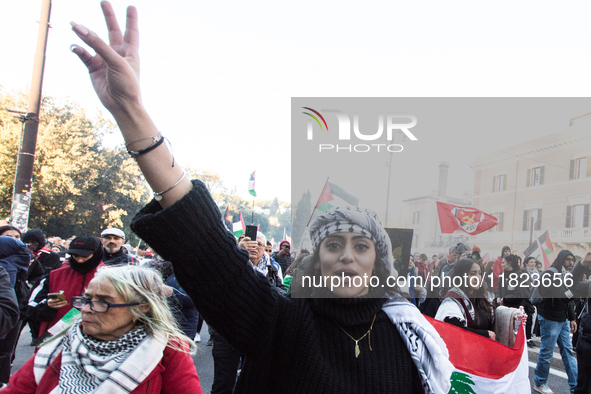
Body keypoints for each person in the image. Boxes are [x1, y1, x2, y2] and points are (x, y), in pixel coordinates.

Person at [68, 4, 453, 392]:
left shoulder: (411, 339)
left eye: (361, 245)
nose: (347, 255)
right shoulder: (280, 320)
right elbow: (208, 251)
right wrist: (131, 110)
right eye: (333, 244)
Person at [3, 265, 203, 393]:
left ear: (140, 309)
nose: (87, 309)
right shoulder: (60, 342)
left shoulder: (167, 349)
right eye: (87, 299)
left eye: (104, 302)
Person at [27, 236, 107, 339]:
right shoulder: (54, 276)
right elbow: (29, 306)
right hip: (56, 338)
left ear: (96, 253)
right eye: (75, 255)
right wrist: (47, 306)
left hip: (97, 339)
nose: (79, 260)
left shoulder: (112, 277)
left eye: (85, 256)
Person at [534, 250, 585, 394]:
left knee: (568, 353)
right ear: (561, 259)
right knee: (547, 353)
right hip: (549, 317)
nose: (571, 263)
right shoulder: (550, 274)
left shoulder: (567, 275)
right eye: (568, 259)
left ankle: (575, 386)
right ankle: (540, 382)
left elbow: (567, 303)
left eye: (573, 260)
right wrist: (577, 290)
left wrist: (572, 318)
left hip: (561, 319)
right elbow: (562, 296)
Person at [435, 258, 496, 339]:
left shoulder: (480, 298)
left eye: (480, 273)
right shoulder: (452, 300)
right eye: (473, 274)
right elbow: (455, 330)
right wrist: (486, 334)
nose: (477, 277)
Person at [570, 252, 591, 394]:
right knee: (584, 385)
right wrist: (582, 264)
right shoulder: (589, 286)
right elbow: (570, 285)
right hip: (588, 342)